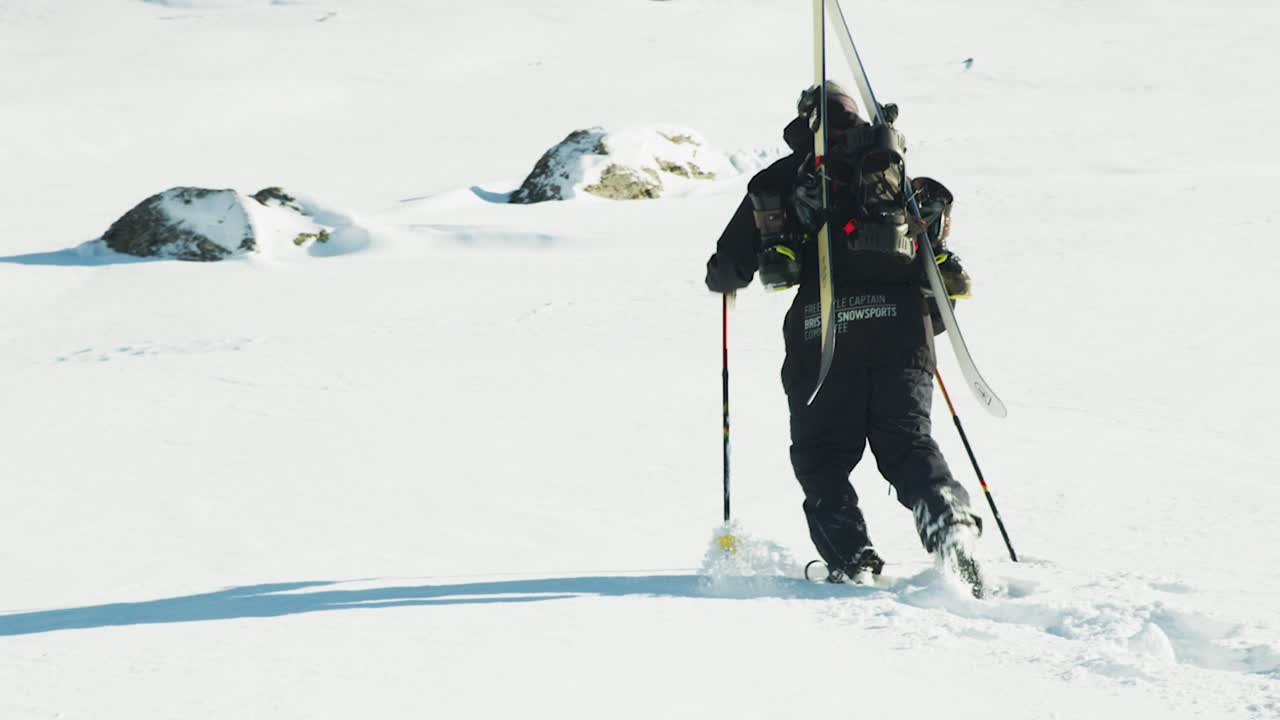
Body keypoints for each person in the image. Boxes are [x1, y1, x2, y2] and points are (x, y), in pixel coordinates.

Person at [704, 82, 984, 585]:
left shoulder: (786, 178)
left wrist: (726, 278)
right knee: (907, 444)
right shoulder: (893, 176)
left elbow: (727, 269)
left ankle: (851, 559)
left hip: (823, 336)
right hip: (904, 336)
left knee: (822, 459)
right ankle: (948, 521)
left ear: (806, 122)